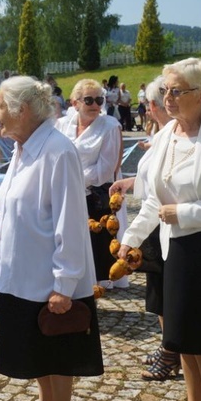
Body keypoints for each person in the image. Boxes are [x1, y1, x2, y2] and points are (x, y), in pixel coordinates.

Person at [119, 57, 201, 401]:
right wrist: (130, 238)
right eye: (166, 90)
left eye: (177, 91)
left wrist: (183, 213)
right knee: (183, 345)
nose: (169, 98)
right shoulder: (167, 134)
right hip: (173, 252)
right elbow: (153, 200)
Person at [0, 76, 103, 401]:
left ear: (21, 111)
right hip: (21, 281)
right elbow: (18, 199)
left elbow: (72, 222)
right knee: (38, 364)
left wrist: (64, 285)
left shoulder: (57, 152)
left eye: (1, 106)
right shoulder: (23, 147)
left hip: (48, 285)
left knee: (56, 363)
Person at [110, 75, 176, 380]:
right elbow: (151, 181)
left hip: (165, 222)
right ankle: (169, 345)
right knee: (158, 294)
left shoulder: (169, 136)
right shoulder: (162, 134)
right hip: (154, 221)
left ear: (152, 105)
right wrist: (128, 182)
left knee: (164, 294)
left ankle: (172, 351)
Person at [55, 80, 122, 289]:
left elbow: (106, 169)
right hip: (64, 192)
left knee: (95, 244)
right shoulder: (62, 124)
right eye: (89, 100)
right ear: (75, 103)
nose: (95, 105)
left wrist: (73, 179)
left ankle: (92, 286)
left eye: (99, 100)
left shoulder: (110, 126)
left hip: (94, 193)